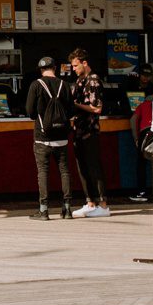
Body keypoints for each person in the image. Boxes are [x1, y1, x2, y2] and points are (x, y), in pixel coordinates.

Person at [24, 55, 78, 220]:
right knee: (64, 171)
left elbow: (30, 112)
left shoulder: (36, 85)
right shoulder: (65, 85)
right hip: (61, 136)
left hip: (42, 136)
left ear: (41, 70)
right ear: (55, 68)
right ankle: (67, 209)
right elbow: (70, 111)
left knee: (43, 172)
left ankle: (44, 210)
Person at [66, 49, 110, 218]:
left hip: (89, 130)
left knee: (93, 167)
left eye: (76, 65)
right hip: (79, 130)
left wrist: (75, 105)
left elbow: (97, 108)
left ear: (85, 63)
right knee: (83, 167)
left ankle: (103, 204)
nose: (74, 69)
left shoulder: (93, 80)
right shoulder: (80, 80)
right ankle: (90, 202)